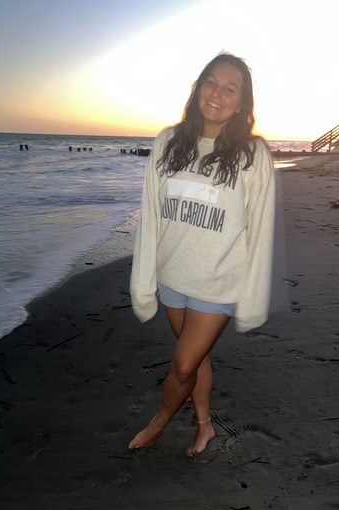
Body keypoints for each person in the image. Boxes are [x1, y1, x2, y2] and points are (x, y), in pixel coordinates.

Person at [128, 52, 277, 456]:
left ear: (241, 103)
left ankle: (158, 424)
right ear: (198, 88)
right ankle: (204, 425)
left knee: (182, 367)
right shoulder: (167, 142)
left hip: (218, 281)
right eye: (211, 82)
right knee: (196, 358)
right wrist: (143, 284)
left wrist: (252, 300)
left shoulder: (252, 154)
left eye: (230, 89)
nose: (217, 94)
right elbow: (151, 216)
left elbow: (261, 230)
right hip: (172, 276)